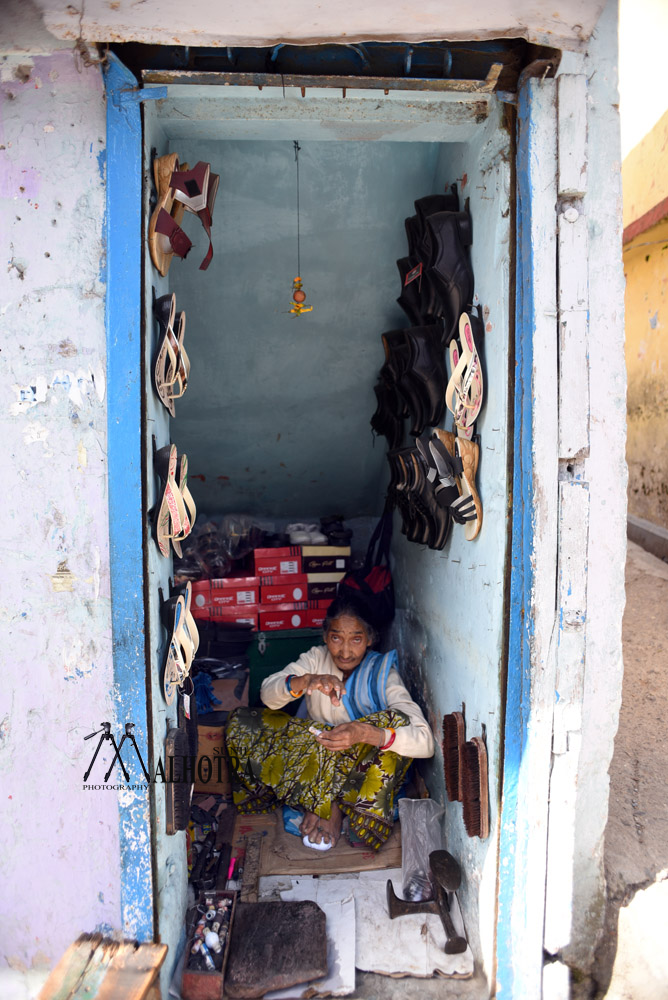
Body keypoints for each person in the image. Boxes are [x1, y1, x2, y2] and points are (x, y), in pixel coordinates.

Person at [226, 595, 434, 851]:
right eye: (336, 638)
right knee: (243, 722)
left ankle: (328, 806)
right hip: (317, 762)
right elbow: (267, 695)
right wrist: (305, 681)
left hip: (358, 773)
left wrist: (367, 734)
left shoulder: (382, 674)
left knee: (394, 722)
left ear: (370, 639)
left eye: (356, 639)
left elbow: (425, 742)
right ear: (325, 636)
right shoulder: (315, 658)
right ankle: (325, 803)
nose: (345, 651)